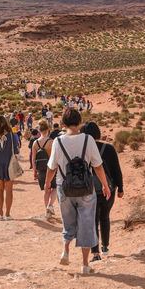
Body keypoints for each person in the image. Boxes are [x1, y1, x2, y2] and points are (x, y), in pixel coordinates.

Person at [43, 109, 111, 274]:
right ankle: (85, 264)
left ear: (64, 124)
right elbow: (98, 165)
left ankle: (66, 250)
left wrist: (47, 184)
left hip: (64, 188)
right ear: (79, 122)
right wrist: (105, 184)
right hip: (86, 189)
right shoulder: (88, 140)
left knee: (68, 222)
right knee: (87, 223)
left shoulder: (58, 142)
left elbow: (51, 167)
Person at [81, 121, 124, 262]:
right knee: (105, 217)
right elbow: (116, 171)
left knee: (92, 221)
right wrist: (120, 189)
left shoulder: (82, 151)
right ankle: (105, 247)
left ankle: (95, 253)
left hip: (88, 190)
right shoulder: (109, 149)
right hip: (108, 189)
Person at [0, 115, 20, 221]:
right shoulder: (12, 136)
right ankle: (8, 214)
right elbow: (15, 152)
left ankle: (0, 213)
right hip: (9, 164)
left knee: (0, 189)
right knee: (9, 190)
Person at [32, 119, 56, 218]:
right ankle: (50, 205)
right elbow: (55, 157)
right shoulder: (51, 142)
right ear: (48, 130)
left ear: (40, 131)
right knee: (55, 187)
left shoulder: (35, 143)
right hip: (51, 168)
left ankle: (47, 211)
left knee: (47, 190)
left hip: (40, 170)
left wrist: (34, 172)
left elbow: (33, 159)